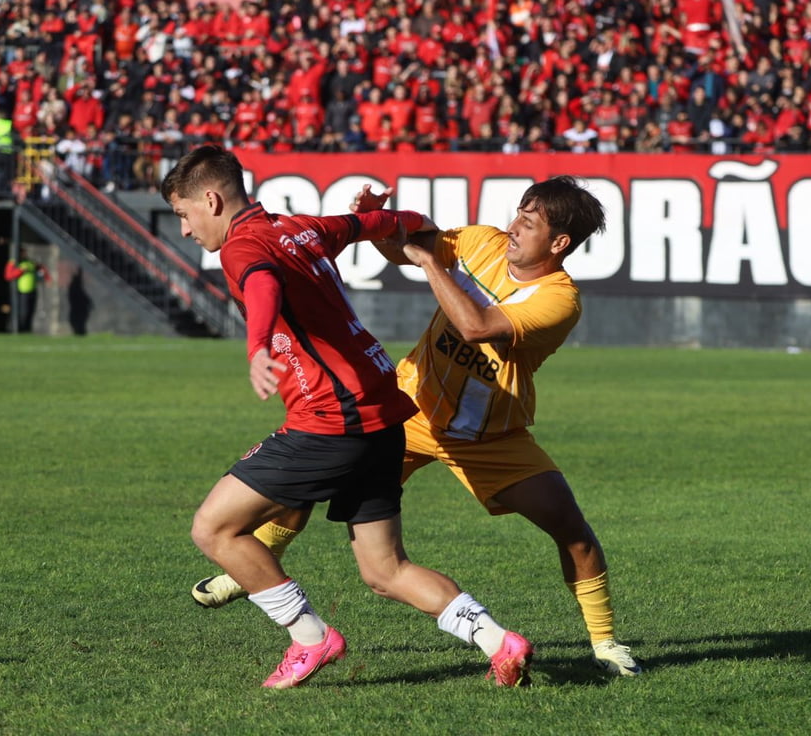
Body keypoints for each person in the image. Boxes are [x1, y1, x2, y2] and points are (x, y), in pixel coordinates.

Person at [193, 175, 642, 677]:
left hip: (488, 435)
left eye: (529, 223)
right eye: (518, 213)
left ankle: (605, 646)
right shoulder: (483, 241)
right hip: (410, 408)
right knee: (320, 468)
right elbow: (405, 247)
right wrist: (381, 226)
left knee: (572, 532)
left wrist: (429, 261)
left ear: (559, 244)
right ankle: (251, 567)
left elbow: (476, 327)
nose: (514, 226)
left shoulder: (560, 299)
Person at [160, 145, 532, 689]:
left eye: (184, 215)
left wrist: (256, 345)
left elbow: (261, 284)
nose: (187, 230)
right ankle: (500, 642)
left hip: (331, 420)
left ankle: (310, 638)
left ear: (211, 200)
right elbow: (370, 222)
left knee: (214, 528)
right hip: (382, 415)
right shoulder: (300, 227)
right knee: (385, 571)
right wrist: (411, 224)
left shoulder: (242, 246)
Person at [4, 248, 48, 333]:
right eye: (22, 253)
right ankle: (20, 329)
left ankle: (27, 329)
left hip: (32, 291)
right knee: (22, 312)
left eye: (25, 252)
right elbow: (8, 276)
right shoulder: (14, 263)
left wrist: (47, 278)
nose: (24, 254)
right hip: (21, 292)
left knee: (30, 312)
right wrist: (20, 270)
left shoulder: (30, 262)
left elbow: (41, 269)